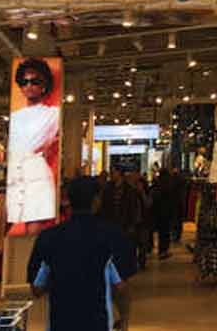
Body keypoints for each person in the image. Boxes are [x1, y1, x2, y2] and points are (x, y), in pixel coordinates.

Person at [28, 176, 137, 331]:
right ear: (96, 200)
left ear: (68, 201)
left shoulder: (48, 238)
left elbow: (37, 289)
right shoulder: (112, 236)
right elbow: (121, 287)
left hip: (60, 323)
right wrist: (124, 319)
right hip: (98, 323)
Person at [8, 58, 61, 235]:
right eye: (24, 82)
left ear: (44, 84)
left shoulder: (53, 114)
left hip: (36, 174)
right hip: (14, 174)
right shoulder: (15, 117)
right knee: (14, 230)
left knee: (33, 234)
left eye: (35, 81)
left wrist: (50, 144)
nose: (29, 86)